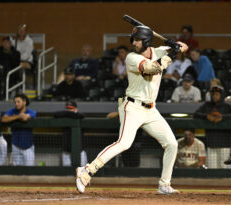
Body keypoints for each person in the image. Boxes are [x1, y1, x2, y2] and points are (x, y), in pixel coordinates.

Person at [75, 25, 188, 195]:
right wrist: (172, 53)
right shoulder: (131, 58)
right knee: (124, 143)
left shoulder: (159, 51)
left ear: (147, 41)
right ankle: (87, 170)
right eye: (133, 40)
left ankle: (164, 184)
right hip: (133, 107)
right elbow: (152, 69)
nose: (134, 43)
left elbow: (184, 47)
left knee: (172, 144)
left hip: (151, 110)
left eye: (138, 40)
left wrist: (176, 45)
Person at [194, 86, 231, 169]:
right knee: (211, 168)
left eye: (217, 94)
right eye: (213, 94)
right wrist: (207, 116)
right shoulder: (207, 105)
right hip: (211, 142)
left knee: (223, 168)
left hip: (224, 144)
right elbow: (195, 115)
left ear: (221, 96)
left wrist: (222, 117)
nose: (214, 96)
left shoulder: (226, 106)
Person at [1, 94, 36, 166]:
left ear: (24, 102)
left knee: (29, 172)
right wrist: (18, 116)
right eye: (15, 102)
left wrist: (13, 117)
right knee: (17, 172)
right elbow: (3, 119)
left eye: (18, 102)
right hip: (16, 146)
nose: (16, 104)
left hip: (28, 147)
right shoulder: (12, 111)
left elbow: (25, 118)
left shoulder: (31, 111)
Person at [54, 100, 85, 166]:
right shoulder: (63, 117)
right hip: (66, 151)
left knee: (83, 172)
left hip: (79, 151)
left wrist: (72, 114)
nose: (69, 110)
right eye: (67, 108)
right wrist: (70, 114)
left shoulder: (79, 116)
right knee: (67, 174)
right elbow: (55, 114)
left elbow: (82, 116)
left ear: (76, 109)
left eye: (71, 108)